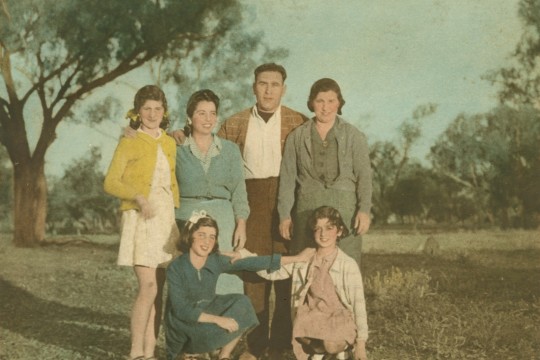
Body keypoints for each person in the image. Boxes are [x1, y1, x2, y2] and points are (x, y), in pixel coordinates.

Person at [171, 63, 308, 359]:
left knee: (285, 272)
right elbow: (205, 141)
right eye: (262, 83)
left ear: (284, 88)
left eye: (274, 84)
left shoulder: (299, 121)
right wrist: (178, 135)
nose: (268, 90)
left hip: (287, 202)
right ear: (254, 87)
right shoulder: (235, 123)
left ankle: (281, 346)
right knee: (253, 272)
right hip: (252, 200)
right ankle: (255, 347)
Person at [165, 211, 313, 360]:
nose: (207, 242)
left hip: (205, 314)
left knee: (242, 302)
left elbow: (253, 263)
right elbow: (182, 311)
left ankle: (224, 356)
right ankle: (189, 352)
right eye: (202, 235)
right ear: (190, 236)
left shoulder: (214, 260)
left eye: (212, 237)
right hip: (183, 328)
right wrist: (219, 320)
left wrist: (296, 258)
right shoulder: (176, 268)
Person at [104, 85, 180, 360]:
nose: (152, 114)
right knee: (148, 286)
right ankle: (135, 351)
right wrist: (137, 197)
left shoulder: (170, 141)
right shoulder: (130, 140)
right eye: (146, 109)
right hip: (141, 216)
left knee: (157, 289)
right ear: (138, 112)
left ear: (164, 111)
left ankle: (149, 351)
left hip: (165, 218)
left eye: (157, 109)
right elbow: (111, 181)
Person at [278, 78, 372, 266]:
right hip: (307, 210)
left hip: (346, 210)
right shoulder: (297, 137)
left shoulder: (354, 135)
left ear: (339, 103)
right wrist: (285, 216)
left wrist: (364, 210)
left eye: (331, 101)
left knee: (346, 266)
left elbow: (364, 176)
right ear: (312, 103)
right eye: (320, 101)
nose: (325, 107)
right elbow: (287, 180)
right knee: (306, 266)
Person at [256, 206, 368, 360]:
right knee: (299, 325)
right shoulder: (305, 259)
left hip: (339, 317)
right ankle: (319, 351)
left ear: (339, 231)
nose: (323, 234)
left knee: (331, 344)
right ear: (312, 232)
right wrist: (244, 257)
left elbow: (358, 304)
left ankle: (337, 350)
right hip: (313, 316)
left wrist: (361, 344)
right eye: (318, 229)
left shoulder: (347, 264)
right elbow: (269, 273)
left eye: (329, 228)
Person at [175, 89, 249, 295]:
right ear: (189, 118)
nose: (208, 119)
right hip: (187, 220)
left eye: (213, 113)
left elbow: (239, 190)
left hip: (224, 221)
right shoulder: (176, 149)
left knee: (224, 281)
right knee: (189, 282)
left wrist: (241, 223)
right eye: (201, 113)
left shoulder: (230, 150)